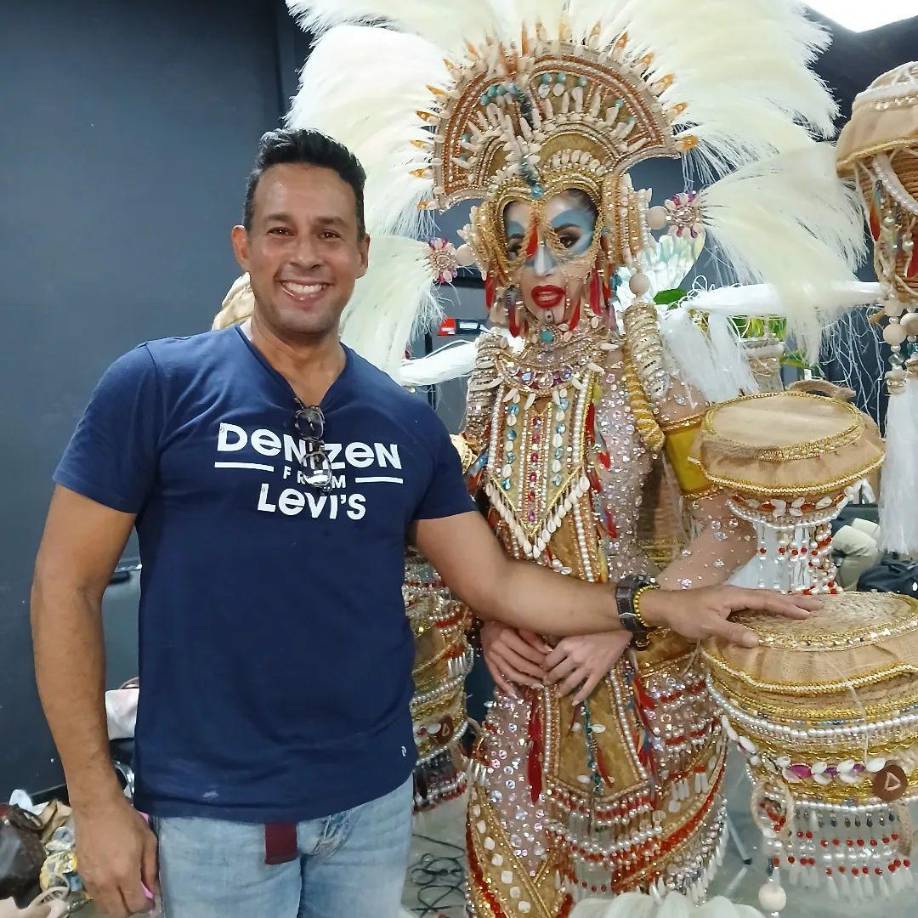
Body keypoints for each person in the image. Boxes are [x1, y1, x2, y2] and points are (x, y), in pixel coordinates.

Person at [31, 128, 815, 918]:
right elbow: (65, 584)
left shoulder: (423, 413)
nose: (540, 266)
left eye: (568, 239)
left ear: (361, 255)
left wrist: (646, 612)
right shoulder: (164, 384)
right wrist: (96, 801)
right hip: (240, 803)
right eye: (281, 231)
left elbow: (521, 566)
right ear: (244, 246)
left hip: (501, 750)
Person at [281, 0, 863, 913]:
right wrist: (486, 623)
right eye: (517, 243)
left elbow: (729, 520)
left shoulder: (648, 362)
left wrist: (624, 625)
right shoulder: (493, 378)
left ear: (611, 236)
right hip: (521, 710)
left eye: (565, 237)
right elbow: (462, 537)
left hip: (643, 691)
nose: (540, 268)